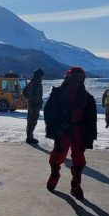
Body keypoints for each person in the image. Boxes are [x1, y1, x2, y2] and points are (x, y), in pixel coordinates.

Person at [43, 66, 97, 200]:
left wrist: (89, 137)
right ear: (68, 78)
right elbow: (48, 112)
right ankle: (54, 174)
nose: (76, 81)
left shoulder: (87, 98)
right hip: (62, 130)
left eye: (80, 79)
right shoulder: (57, 94)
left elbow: (91, 120)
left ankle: (76, 185)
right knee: (58, 154)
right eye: (74, 78)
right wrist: (55, 126)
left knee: (78, 158)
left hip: (79, 131)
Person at [23, 68, 44, 144]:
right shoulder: (32, 83)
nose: (41, 77)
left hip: (37, 105)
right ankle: (29, 138)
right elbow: (24, 92)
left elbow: (39, 95)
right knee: (31, 121)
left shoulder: (38, 83)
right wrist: (30, 99)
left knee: (34, 121)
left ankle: (30, 136)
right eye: (40, 75)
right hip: (32, 105)